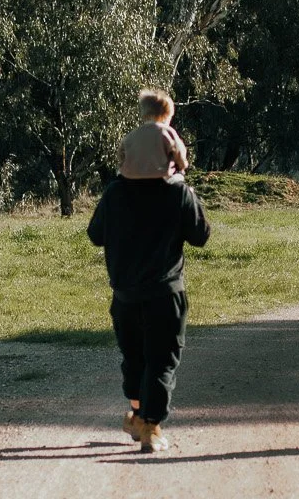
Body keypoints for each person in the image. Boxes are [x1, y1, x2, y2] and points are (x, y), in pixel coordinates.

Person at [86, 166, 211, 453]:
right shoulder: (177, 192)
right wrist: (185, 188)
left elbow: (95, 234)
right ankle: (151, 428)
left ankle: (137, 415)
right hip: (165, 293)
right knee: (161, 361)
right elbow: (201, 235)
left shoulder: (115, 192)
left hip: (124, 295)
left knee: (135, 358)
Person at [119, 89, 192, 183]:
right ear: (167, 114)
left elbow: (121, 156)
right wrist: (183, 165)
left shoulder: (131, 135)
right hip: (161, 180)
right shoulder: (167, 132)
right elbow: (180, 154)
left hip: (131, 181)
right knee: (179, 180)